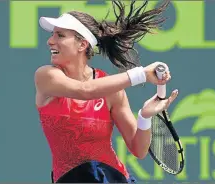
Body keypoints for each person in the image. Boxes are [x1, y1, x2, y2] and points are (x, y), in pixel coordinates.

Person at [34, 0, 178, 183]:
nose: (50, 41)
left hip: (113, 178)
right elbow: (85, 90)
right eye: (52, 35)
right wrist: (140, 74)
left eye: (60, 35)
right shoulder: (46, 76)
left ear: (82, 45)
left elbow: (139, 149)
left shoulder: (110, 89)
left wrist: (145, 116)